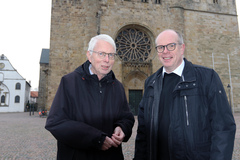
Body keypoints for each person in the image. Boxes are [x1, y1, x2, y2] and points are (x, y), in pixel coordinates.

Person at [133, 29, 236, 160]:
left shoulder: (206, 78)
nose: (165, 51)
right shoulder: (151, 82)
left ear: (182, 48)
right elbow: (143, 131)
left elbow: (223, 128)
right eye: (160, 47)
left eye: (171, 46)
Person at [45, 34, 135, 160]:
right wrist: (96, 139)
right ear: (89, 55)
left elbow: (126, 117)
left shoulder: (118, 87)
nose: (107, 60)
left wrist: (122, 128)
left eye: (111, 55)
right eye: (102, 54)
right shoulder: (69, 82)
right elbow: (55, 123)